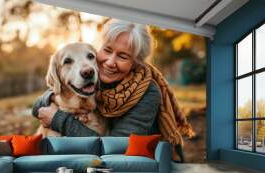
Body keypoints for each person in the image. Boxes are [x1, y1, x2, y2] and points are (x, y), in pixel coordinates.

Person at [32, 19, 194, 162]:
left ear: (136, 63)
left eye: (123, 56)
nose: (110, 62)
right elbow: (38, 106)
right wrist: (52, 98)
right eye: (107, 50)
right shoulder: (96, 79)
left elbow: (116, 149)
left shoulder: (148, 93)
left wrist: (59, 119)